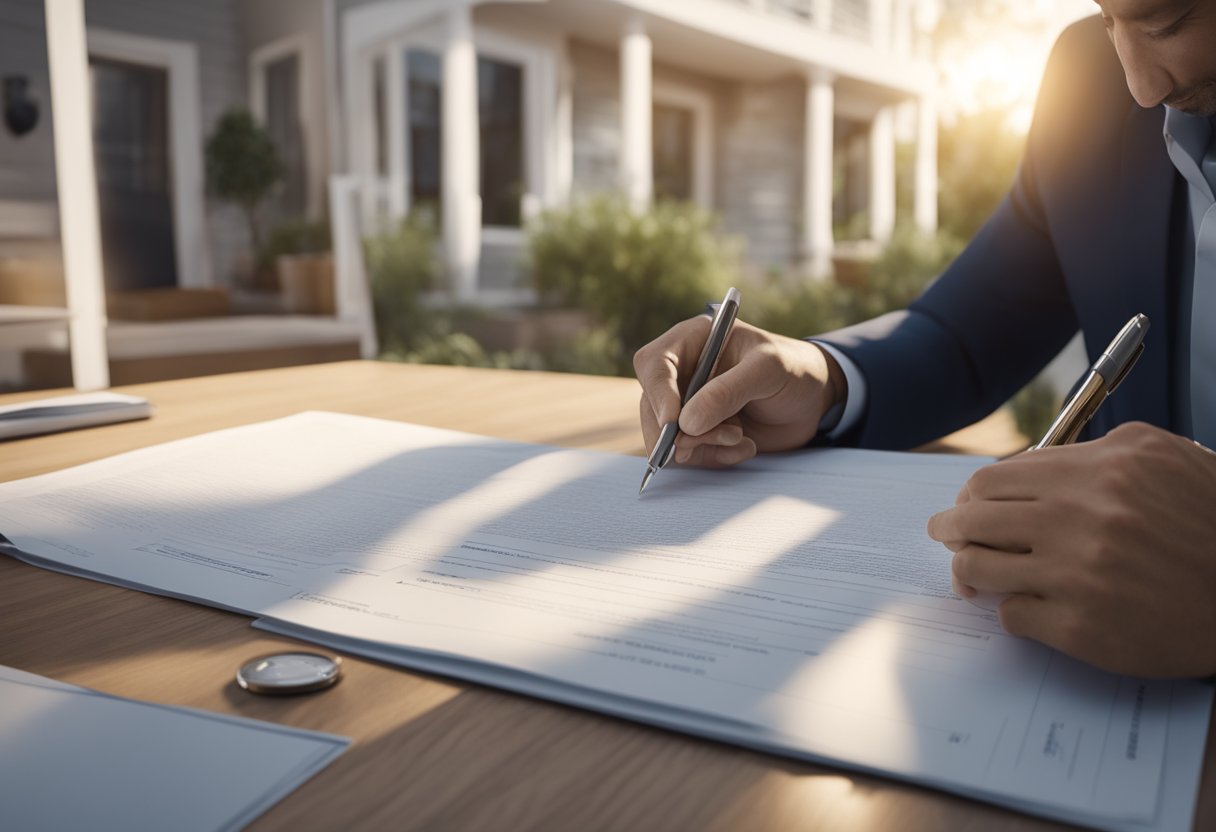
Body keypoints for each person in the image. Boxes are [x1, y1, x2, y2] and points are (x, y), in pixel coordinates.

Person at [633, 3, 1216, 680]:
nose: (1140, 87)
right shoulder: (1087, 75)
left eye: (1170, 19)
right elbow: (971, 329)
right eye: (1107, 14)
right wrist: (821, 377)